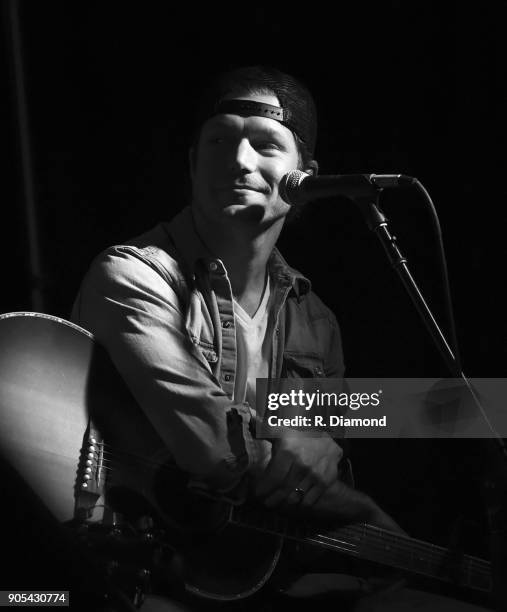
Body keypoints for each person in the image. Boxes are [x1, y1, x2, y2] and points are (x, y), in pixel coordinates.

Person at [71, 66, 489, 611]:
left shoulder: (316, 320)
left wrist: (328, 443)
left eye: (266, 144)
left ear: (306, 176)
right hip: (111, 575)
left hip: (234, 578)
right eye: (219, 140)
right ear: (192, 162)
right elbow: (220, 453)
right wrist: (361, 510)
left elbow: (304, 479)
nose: (240, 160)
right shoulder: (133, 277)